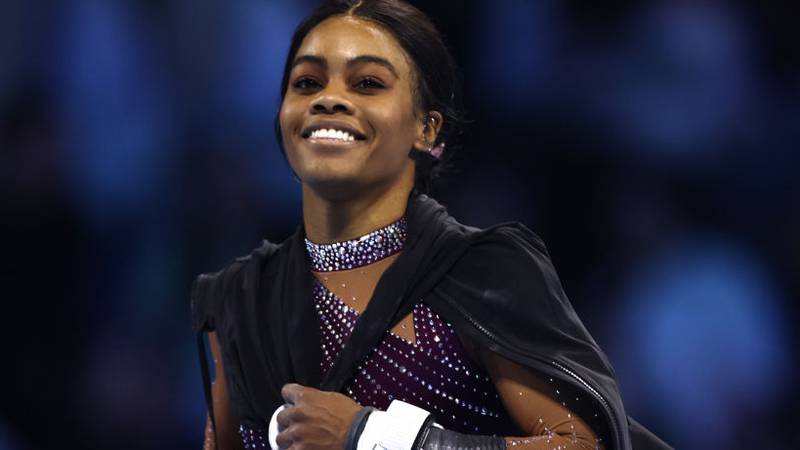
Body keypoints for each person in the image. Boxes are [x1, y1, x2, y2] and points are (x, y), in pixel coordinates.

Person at [191, 1, 672, 449]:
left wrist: (374, 437)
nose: (329, 100)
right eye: (307, 83)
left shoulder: (482, 272)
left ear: (427, 129)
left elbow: (582, 444)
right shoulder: (240, 298)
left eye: (367, 84)